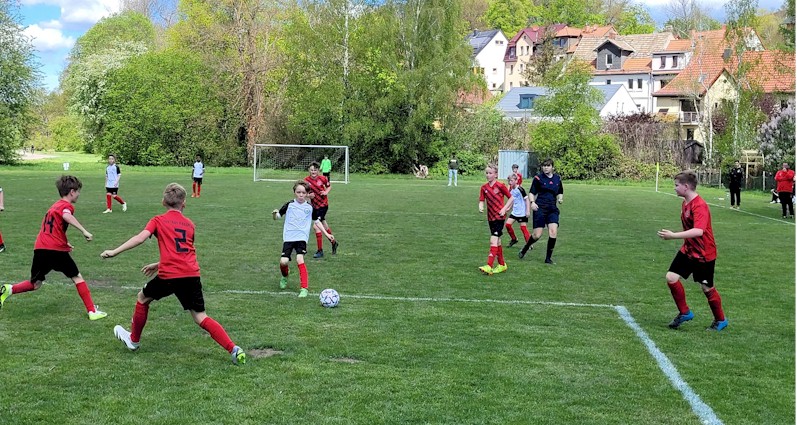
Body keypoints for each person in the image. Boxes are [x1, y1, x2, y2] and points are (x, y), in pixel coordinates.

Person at [100, 183, 246, 365]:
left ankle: (134, 340)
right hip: (191, 274)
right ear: (184, 203)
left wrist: (114, 251)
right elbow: (183, 252)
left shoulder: (157, 220)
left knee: (143, 298)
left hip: (170, 275)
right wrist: (158, 263)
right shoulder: (190, 225)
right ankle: (234, 349)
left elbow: (140, 238)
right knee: (201, 316)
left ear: (163, 202)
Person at [0, 175, 107, 320]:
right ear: (72, 191)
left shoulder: (54, 206)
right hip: (55, 249)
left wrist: (65, 241)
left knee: (35, 284)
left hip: (40, 248)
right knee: (77, 277)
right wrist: (84, 231)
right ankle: (92, 312)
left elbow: (52, 228)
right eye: (78, 191)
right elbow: (66, 216)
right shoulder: (66, 206)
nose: (79, 194)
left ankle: (9, 289)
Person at [657, 170, 727, 331]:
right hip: (688, 250)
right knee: (671, 277)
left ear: (686, 187)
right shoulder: (685, 203)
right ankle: (684, 312)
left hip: (704, 253)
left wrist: (673, 235)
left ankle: (720, 319)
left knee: (706, 287)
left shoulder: (700, 205)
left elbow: (699, 231)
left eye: (676, 185)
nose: (674, 188)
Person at [272, 181, 334, 297]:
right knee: (283, 261)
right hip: (289, 237)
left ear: (307, 194)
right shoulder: (289, 205)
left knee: (300, 259)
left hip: (301, 238)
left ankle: (304, 288)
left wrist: (327, 234)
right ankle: (285, 276)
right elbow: (278, 217)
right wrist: (275, 214)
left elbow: (317, 221)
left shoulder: (309, 207)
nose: (301, 195)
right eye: (298, 192)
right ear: (295, 192)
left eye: (303, 193)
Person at [518, 158, 563, 264]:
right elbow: (531, 193)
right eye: (544, 166)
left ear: (552, 167)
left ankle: (548, 259)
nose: (545, 168)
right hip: (540, 208)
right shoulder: (538, 178)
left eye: (548, 166)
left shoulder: (557, 179)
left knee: (553, 232)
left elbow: (560, 191)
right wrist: (533, 202)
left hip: (552, 209)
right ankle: (525, 248)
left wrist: (560, 198)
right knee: (537, 235)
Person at [478, 164, 513, 275]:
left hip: (499, 217)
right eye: (487, 173)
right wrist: (481, 205)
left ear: (496, 174)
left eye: (490, 173)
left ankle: (489, 265)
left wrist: (504, 208)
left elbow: (511, 198)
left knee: (493, 240)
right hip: (491, 217)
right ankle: (502, 264)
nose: (488, 175)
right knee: (497, 241)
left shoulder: (500, 186)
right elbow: (482, 199)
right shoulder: (484, 188)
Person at [305, 162, 339, 258]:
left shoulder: (323, 178)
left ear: (318, 171)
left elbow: (329, 186)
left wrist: (325, 192)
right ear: (309, 171)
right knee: (323, 224)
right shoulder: (306, 181)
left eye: (315, 170)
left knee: (316, 226)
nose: (313, 172)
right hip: (314, 206)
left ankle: (320, 251)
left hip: (323, 205)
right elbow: (303, 193)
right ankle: (333, 242)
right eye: (311, 170)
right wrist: (308, 195)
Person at [505, 173, 531, 248]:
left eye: (511, 181)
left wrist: (528, 210)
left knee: (523, 228)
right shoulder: (511, 190)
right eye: (509, 181)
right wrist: (508, 208)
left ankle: (529, 244)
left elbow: (527, 200)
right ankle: (514, 239)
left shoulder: (520, 189)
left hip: (522, 212)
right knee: (507, 225)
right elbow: (512, 200)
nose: (510, 182)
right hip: (514, 212)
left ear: (516, 181)